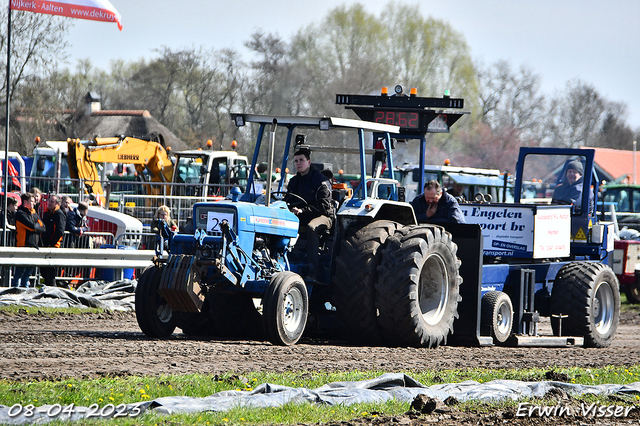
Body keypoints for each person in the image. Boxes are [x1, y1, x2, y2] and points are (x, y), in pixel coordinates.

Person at [286, 148, 335, 280]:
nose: (298, 163)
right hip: (300, 215)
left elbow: (324, 206)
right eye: (296, 161)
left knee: (311, 227)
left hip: (323, 216)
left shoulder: (320, 180)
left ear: (308, 162)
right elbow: (288, 199)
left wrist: (302, 210)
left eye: (301, 160)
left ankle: (313, 269)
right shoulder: (294, 181)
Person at [12, 192, 46, 287]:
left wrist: (36, 227)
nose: (33, 203)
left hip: (33, 245)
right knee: (20, 272)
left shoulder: (33, 213)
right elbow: (32, 226)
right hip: (23, 245)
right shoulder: (20, 213)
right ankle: (16, 290)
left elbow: (43, 227)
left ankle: (24, 291)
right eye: (31, 201)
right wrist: (37, 227)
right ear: (25, 202)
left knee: (28, 272)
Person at [41, 195, 67, 287]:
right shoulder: (47, 213)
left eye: (52, 202)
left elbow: (59, 231)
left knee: (50, 271)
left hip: (54, 245)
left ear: (57, 204)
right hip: (46, 245)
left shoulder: (58, 214)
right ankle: (48, 287)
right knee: (44, 271)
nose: (49, 203)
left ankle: (52, 288)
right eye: (49, 201)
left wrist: (52, 243)